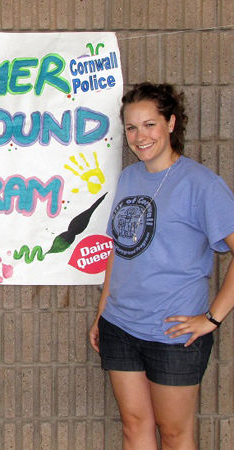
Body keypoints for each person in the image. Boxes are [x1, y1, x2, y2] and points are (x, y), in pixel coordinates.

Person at [89, 82, 234, 449]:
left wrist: (213, 317)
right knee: (134, 426)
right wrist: (103, 309)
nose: (140, 136)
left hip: (173, 334)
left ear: (170, 123)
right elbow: (118, 251)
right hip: (119, 327)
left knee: (173, 433)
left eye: (149, 124)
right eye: (132, 128)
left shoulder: (201, 184)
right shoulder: (129, 177)